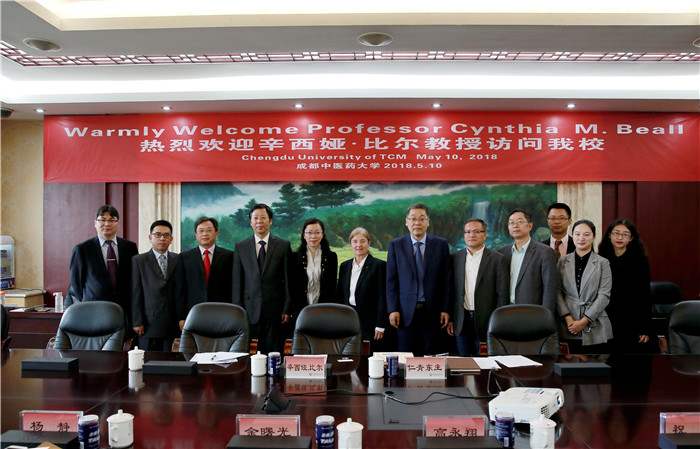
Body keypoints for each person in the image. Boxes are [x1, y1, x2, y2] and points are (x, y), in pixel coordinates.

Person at [386, 203, 453, 355]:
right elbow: (391, 281)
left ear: (428, 222)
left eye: (422, 219)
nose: (417, 223)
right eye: (413, 219)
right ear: (406, 221)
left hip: (433, 311)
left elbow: (447, 280)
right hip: (404, 313)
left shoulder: (441, 244)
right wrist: (393, 309)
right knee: (406, 357)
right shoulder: (396, 245)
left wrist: (446, 309)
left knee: (432, 356)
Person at [232, 204, 294, 354]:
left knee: (275, 354)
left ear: (270, 221)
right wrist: (238, 311)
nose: (259, 221)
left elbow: (289, 279)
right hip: (249, 310)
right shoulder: (241, 246)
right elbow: (237, 282)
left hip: (276, 311)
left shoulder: (283, 245)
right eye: (255, 218)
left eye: (263, 218)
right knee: (249, 355)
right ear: (250, 222)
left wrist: (287, 308)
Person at [447, 218, 509, 356]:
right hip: (461, 321)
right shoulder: (455, 258)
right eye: (468, 232)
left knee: (484, 362)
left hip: (486, 322)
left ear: (485, 235)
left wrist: (497, 322)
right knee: (463, 362)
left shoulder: (498, 259)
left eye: (476, 231)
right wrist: (452, 318)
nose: (472, 235)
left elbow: (502, 294)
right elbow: (450, 291)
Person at [70, 205, 138, 320]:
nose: (107, 224)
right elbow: (76, 283)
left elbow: (134, 278)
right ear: (95, 223)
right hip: (94, 309)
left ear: (118, 223)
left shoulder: (130, 247)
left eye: (112, 220)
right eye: (102, 220)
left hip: (124, 309)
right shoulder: (82, 249)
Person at [598, 219, 655, 354]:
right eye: (616, 233)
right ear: (609, 235)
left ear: (631, 238)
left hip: (632, 318)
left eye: (625, 234)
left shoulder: (639, 260)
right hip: (606, 316)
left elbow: (644, 295)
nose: (620, 237)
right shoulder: (601, 259)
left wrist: (644, 327)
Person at [556, 219, 613, 354]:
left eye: (586, 234)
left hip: (595, 323)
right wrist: (569, 319)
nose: (581, 238)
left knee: (594, 365)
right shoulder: (562, 261)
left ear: (593, 237)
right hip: (566, 323)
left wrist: (583, 322)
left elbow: (604, 296)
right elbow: (557, 292)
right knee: (567, 364)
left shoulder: (603, 263)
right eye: (577, 234)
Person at [336, 227, 392, 353]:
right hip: (349, 320)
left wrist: (380, 325)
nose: (358, 245)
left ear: (369, 243)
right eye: (355, 241)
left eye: (362, 241)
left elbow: (382, 297)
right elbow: (340, 296)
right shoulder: (345, 266)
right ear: (350, 244)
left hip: (370, 322)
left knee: (368, 356)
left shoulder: (379, 265)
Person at [174, 217, 234, 330]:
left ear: (216, 233)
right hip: (193, 314)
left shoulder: (229, 256)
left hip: (222, 312)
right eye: (201, 231)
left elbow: (233, 287)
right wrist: (181, 317)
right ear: (196, 234)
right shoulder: (184, 257)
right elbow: (180, 290)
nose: (205, 234)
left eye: (209, 230)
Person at [131, 220, 179, 351]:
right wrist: (137, 321)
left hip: (172, 323)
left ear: (171, 239)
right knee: (148, 360)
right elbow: (135, 293)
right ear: (150, 238)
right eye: (157, 235)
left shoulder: (178, 259)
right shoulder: (139, 260)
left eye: (166, 235)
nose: (162, 238)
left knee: (172, 360)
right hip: (148, 323)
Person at [499, 209, 558, 313]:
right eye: (511, 223)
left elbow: (550, 288)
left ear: (530, 226)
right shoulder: (503, 252)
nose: (515, 225)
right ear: (508, 227)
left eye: (520, 221)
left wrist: (546, 315)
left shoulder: (544, 252)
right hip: (506, 310)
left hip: (532, 311)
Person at [292, 218, 338, 310]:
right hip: (300, 307)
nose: (313, 236)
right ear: (304, 235)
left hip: (325, 307)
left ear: (322, 235)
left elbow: (332, 286)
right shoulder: (295, 257)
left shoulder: (331, 257)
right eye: (309, 232)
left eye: (317, 232)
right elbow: (292, 286)